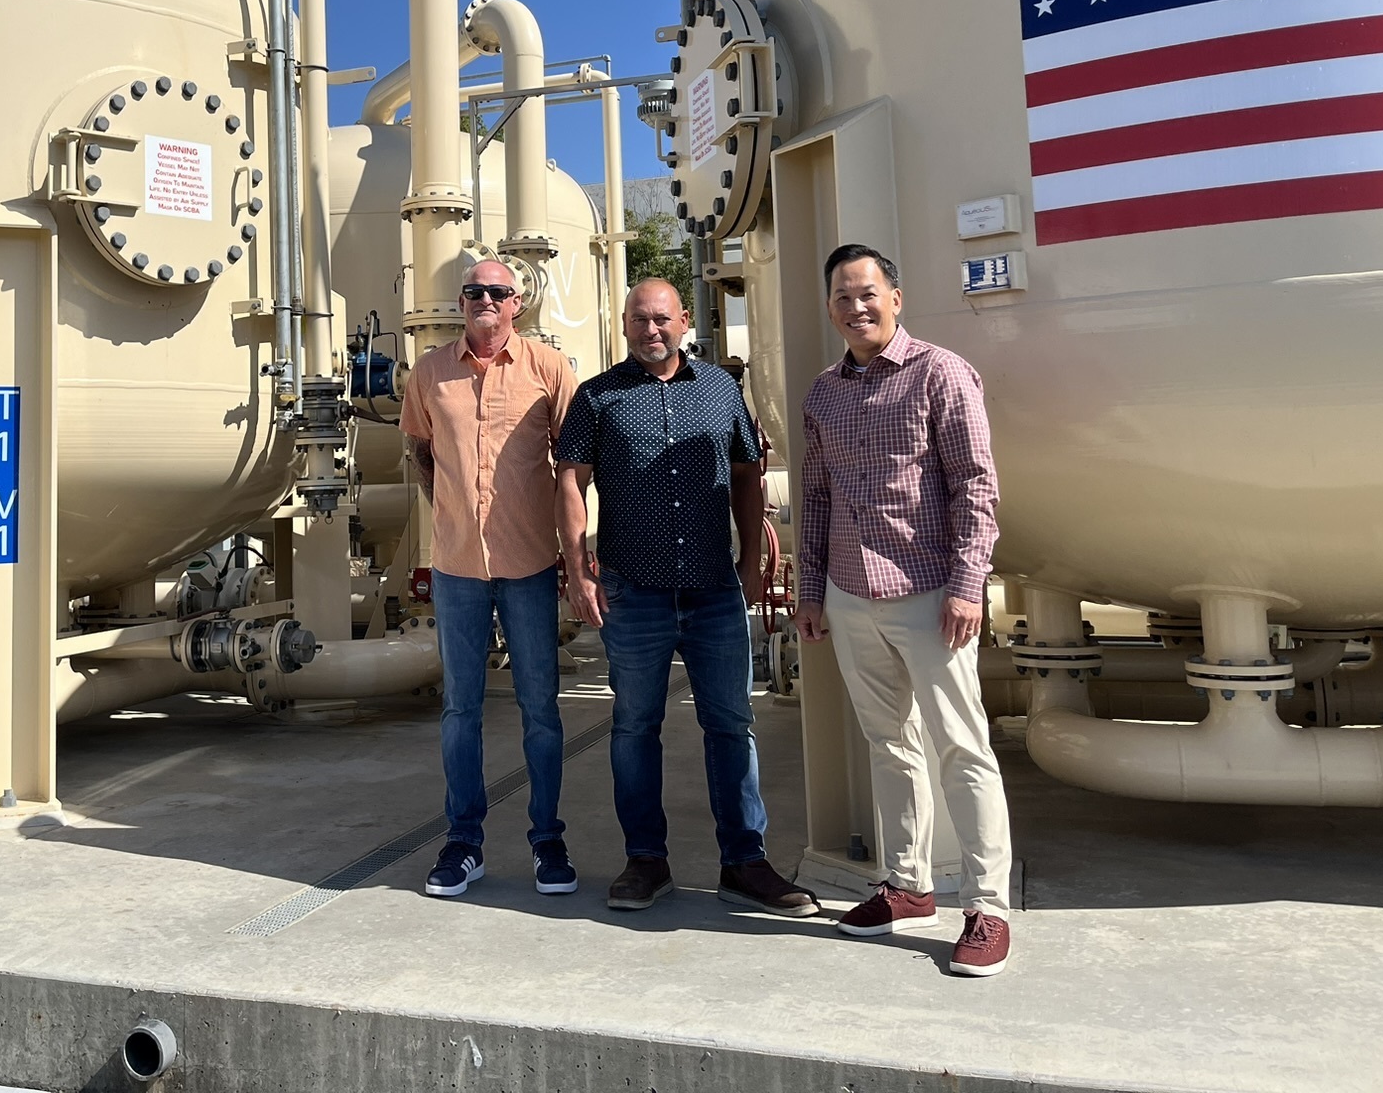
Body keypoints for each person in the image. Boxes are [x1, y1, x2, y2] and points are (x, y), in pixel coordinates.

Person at [556, 279, 816, 917]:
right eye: (640, 320)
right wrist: (578, 569)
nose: (652, 330)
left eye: (663, 319)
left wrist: (752, 561)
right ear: (623, 326)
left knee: (731, 725)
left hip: (713, 591)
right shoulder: (597, 398)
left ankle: (744, 862)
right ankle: (646, 860)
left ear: (683, 323)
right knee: (635, 727)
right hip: (632, 589)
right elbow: (569, 480)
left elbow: (749, 474)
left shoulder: (721, 390)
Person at [793, 243, 1013, 977]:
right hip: (853, 598)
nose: (857, 306)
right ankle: (909, 886)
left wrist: (967, 585)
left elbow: (975, 487)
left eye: (868, 292)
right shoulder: (823, 394)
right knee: (888, 747)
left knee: (962, 748)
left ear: (895, 297)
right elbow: (816, 499)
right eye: (843, 297)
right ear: (831, 310)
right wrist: (812, 590)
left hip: (930, 597)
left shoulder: (940, 374)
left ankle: (987, 907)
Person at [400, 259, 580, 898]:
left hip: (530, 564)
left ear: (517, 303)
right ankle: (464, 843)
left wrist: (577, 553)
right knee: (459, 710)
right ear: (460, 301)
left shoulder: (548, 370)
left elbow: (573, 461)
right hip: (456, 568)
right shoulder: (429, 373)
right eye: (474, 291)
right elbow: (420, 455)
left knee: (540, 711)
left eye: (497, 292)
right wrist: (450, 510)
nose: (485, 300)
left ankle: (548, 842)